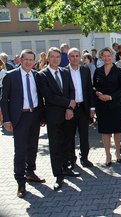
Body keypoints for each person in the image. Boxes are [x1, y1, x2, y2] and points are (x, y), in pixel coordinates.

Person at [0, 49, 46, 198]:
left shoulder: (36, 76)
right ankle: (20, 182)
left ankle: (30, 172)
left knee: (32, 147)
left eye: (31, 60)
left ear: (34, 61)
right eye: (25, 59)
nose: (28, 62)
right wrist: (6, 120)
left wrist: (42, 116)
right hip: (19, 118)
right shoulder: (10, 77)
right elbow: (3, 100)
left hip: (34, 116)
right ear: (20, 59)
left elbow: (40, 97)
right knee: (20, 151)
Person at [36, 47, 79, 191]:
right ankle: (58, 174)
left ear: (61, 59)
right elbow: (49, 97)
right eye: (52, 57)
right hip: (54, 116)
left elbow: (72, 90)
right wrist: (68, 103)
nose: (55, 59)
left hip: (68, 115)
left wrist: (70, 108)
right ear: (47, 58)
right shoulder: (42, 75)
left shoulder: (65, 72)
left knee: (68, 143)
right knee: (55, 146)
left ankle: (67, 168)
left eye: (58, 57)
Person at [93, 47, 121, 166]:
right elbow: (94, 86)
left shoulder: (119, 71)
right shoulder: (98, 71)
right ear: (101, 57)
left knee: (117, 130)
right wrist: (97, 92)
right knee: (105, 131)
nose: (106, 58)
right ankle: (108, 155)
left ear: (112, 56)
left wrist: (111, 97)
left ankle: (118, 152)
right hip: (102, 106)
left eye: (108, 55)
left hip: (115, 105)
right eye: (104, 56)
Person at [64, 48, 95, 168]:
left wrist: (92, 107)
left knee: (84, 135)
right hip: (70, 109)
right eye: (72, 56)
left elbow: (89, 89)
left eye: (77, 56)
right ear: (68, 58)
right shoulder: (64, 71)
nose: (75, 58)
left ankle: (84, 158)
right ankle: (72, 160)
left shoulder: (85, 70)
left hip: (83, 108)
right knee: (70, 136)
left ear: (80, 58)